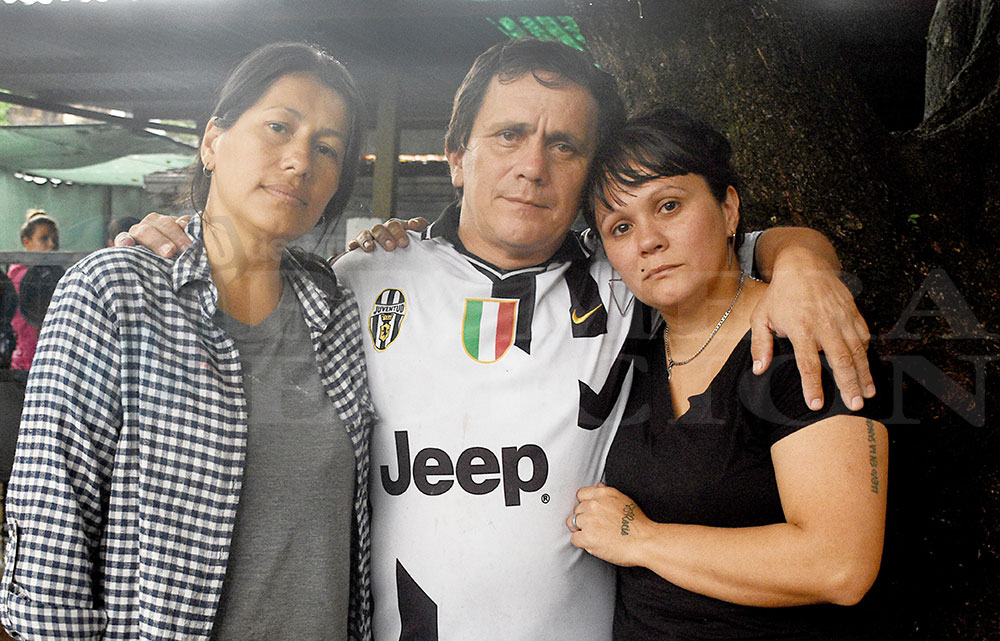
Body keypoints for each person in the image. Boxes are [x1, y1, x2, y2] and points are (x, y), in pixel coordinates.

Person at [121, 38, 876, 641]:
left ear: (587, 177)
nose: (532, 166)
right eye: (509, 134)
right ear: (457, 157)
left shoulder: (626, 280)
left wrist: (803, 263)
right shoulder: (359, 278)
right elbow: (249, 278)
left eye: (564, 145)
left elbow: (727, 256)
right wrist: (180, 237)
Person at [2, 42, 375, 641]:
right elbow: (51, 549)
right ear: (212, 141)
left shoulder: (339, 313)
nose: (300, 161)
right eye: (278, 127)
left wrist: (406, 242)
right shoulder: (115, 294)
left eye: (327, 148)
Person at [568, 107, 887, 639]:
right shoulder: (630, 345)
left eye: (668, 205)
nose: (648, 240)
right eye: (620, 227)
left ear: (729, 209)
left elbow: (840, 565)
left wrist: (642, 540)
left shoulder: (799, 336)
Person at [7, 211, 59, 370]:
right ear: (27, 242)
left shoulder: (51, 272)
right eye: (44, 239)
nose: (51, 245)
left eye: (54, 239)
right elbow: (24, 329)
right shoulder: (21, 276)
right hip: (28, 363)